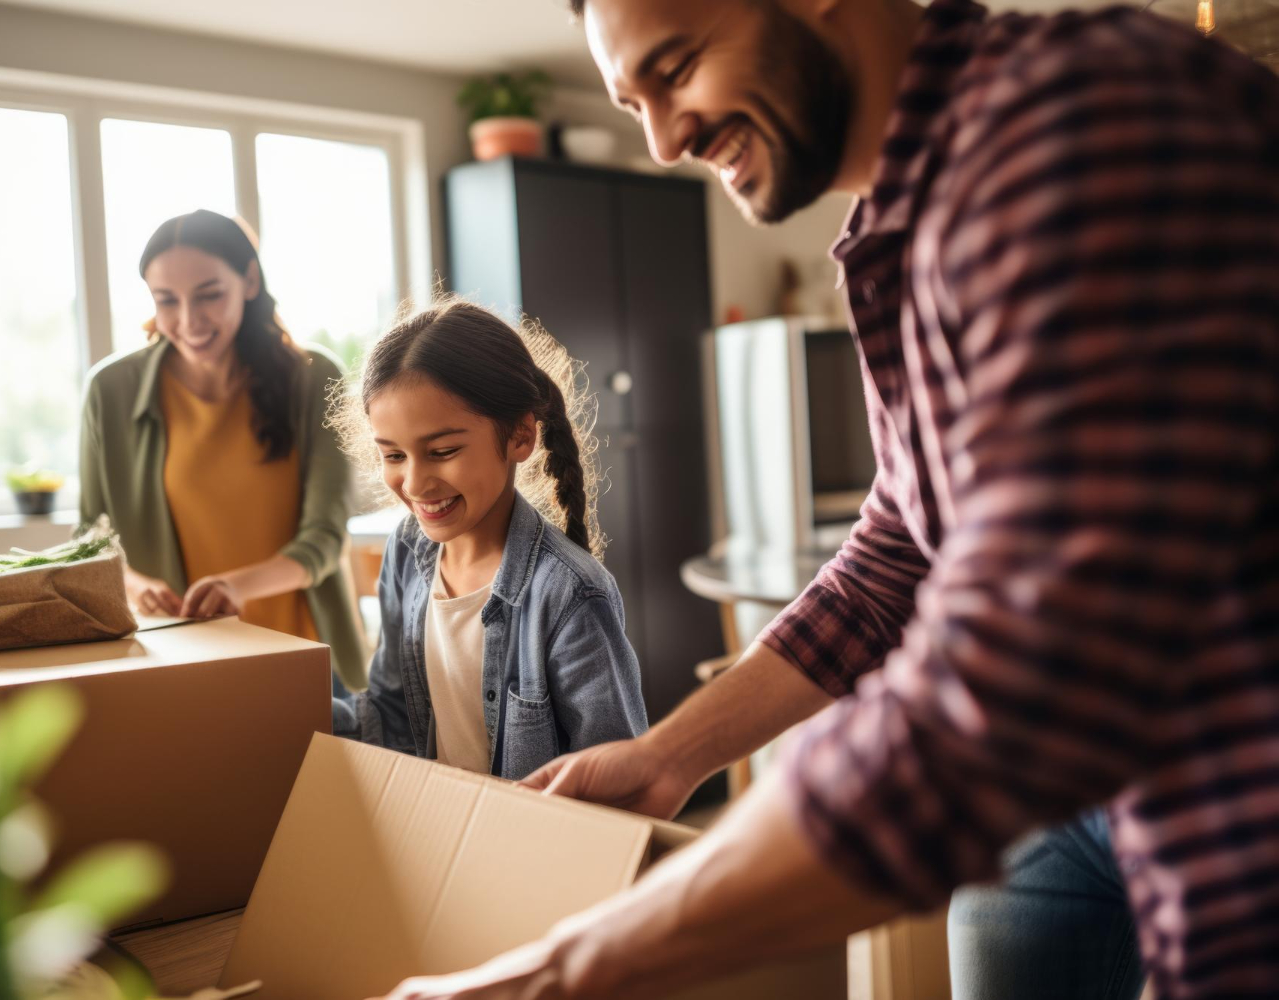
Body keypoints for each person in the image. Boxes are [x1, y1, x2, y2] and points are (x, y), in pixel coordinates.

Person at [377, 0, 1279, 997]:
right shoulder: (894, 232)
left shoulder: (1070, 126)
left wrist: (560, 971)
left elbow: (1022, 680)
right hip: (1071, 809)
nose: (667, 140)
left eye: (675, 69)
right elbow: (897, 555)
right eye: (635, 102)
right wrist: (669, 754)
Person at [329, 299, 648, 779]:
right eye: (393, 456)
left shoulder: (570, 595)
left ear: (520, 436)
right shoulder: (406, 552)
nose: (414, 484)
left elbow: (620, 778)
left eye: (443, 451)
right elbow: (392, 718)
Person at [79, 208, 367, 691]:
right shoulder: (111, 390)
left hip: (310, 657)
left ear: (249, 280)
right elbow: (89, 537)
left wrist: (236, 587)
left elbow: (325, 538)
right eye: (166, 300)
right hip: (182, 658)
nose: (189, 320)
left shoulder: (315, 378)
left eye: (209, 295)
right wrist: (133, 584)